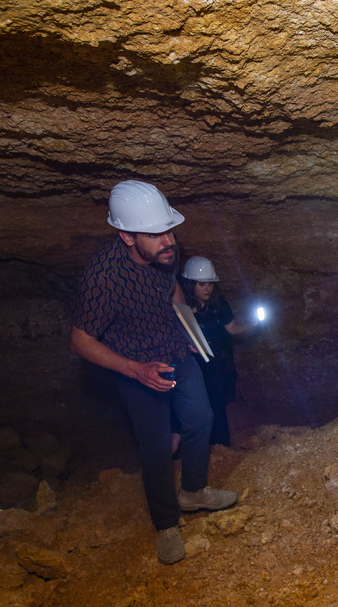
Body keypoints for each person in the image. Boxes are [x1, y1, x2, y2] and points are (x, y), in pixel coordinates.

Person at [70, 180, 237, 566]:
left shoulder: (165, 254)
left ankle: (193, 490)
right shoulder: (102, 278)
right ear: (126, 236)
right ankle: (166, 523)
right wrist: (134, 370)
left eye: (169, 230)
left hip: (177, 352)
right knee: (157, 446)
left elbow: (173, 292)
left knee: (201, 419)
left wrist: (188, 331)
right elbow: (80, 341)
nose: (168, 240)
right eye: (155, 233)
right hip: (135, 368)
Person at [178, 256, 257, 447]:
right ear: (190, 284)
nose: (208, 288)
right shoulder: (181, 308)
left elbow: (232, 328)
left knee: (216, 405)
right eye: (202, 284)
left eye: (210, 284)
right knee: (192, 409)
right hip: (190, 367)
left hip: (213, 366)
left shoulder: (218, 304)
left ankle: (221, 447)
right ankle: (190, 450)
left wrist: (254, 324)